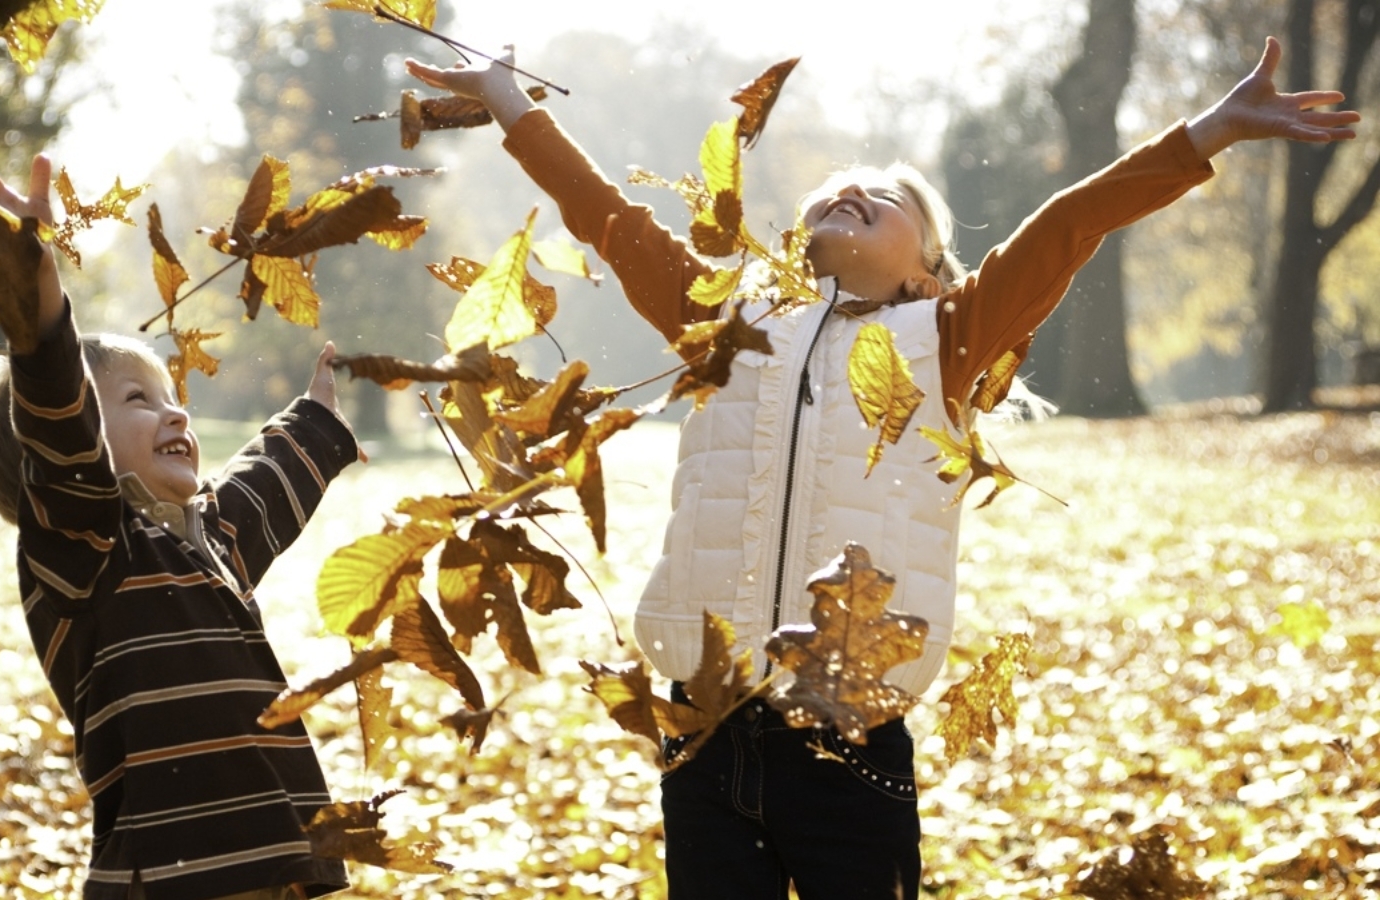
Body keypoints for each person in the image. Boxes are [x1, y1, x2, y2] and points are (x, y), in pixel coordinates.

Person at [407, 37, 1357, 899]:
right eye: (832, 190)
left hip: (847, 744)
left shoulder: (945, 337)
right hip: (701, 728)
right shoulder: (723, 322)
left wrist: (1208, 133)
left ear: (925, 273)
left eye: (887, 198)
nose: (851, 192)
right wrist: (508, 100)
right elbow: (608, 220)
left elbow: (1070, 225)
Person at [0, 145, 362, 900]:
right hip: (171, 874)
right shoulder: (84, 550)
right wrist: (38, 303)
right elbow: (59, 426)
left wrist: (316, 422)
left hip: (275, 856)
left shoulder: (203, 538)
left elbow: (258, 492)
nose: (176, 414)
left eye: (172, 399)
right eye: (138, 400)